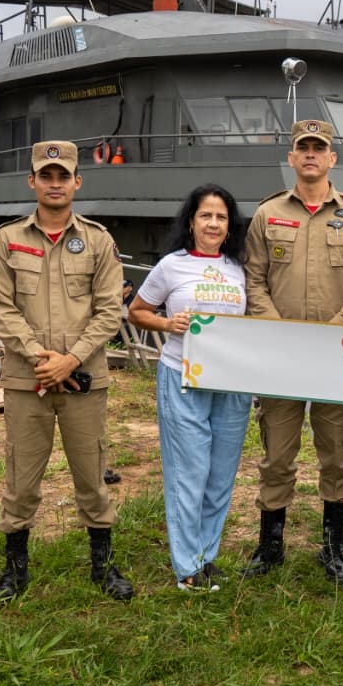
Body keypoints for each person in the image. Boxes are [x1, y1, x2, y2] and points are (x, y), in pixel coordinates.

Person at [0, 140, 134, 602]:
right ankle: (15, 570)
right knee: (21, 475)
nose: (54, 183)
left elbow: (111, 310)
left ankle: (103, 566)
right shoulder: (8, 239)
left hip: (83, 378)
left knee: (91, 473)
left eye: (62, 176)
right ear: (32, 181)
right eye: (45, 176)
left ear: (76, 181)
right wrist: (39, 358)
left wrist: (70, 359)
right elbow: (0, 307)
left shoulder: (97, 240)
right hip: (26, 380)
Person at [241, 120, 343, 583]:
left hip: (335, 356)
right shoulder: (267, 213)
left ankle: (333, 549)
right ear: (293, 157)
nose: (312, 155)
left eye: (320, 148)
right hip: (281, 356)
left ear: (332, 158)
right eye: (304, 148)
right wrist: (278, 331)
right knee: (277, 454)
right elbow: (253, 279)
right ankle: (270, 547)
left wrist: (337, 330)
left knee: (336, 453)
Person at [128, 185, 251, 591]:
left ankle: (208, 555)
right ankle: (187, 567)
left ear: (229, 226)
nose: (213, 223)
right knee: (189, 472)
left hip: (230, 383)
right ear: (192, 222)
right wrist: (167, 324)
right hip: (182, 376)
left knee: (220, 474)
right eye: (205, 216)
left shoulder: (239, 269)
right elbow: (138, 311)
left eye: (220, 217)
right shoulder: (171, 266)